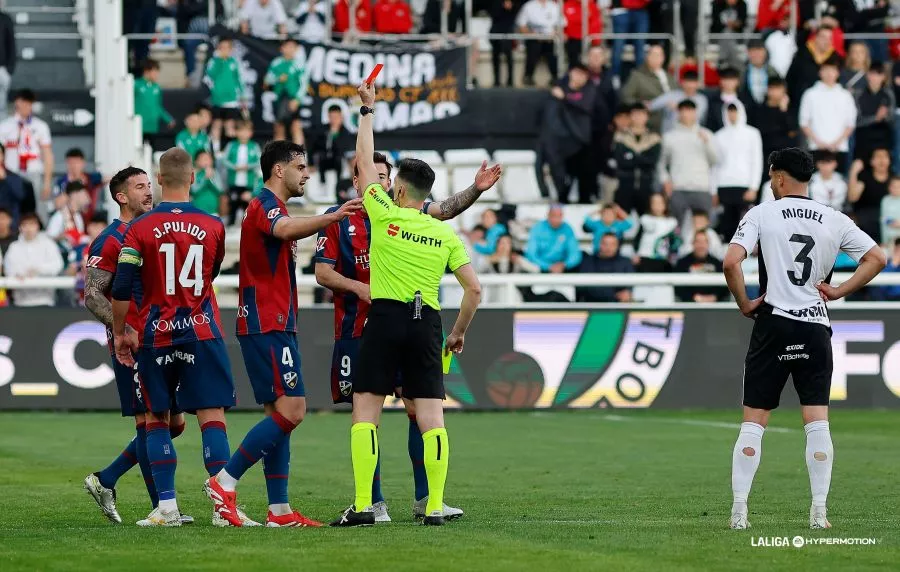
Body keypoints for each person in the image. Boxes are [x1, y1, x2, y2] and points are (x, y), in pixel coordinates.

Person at [330, 80, 482, 527]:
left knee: (366, 412)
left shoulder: (384, 214)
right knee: (432, 416)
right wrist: (457, 334)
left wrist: (367, 110)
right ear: (427, 193)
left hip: (386, 317)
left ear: (397, 188)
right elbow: (475, 290)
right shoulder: (443, 233)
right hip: (427, 323)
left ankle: (364, 505)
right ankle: (433, 505)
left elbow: (362, 159)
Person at [722, 147, 885, 530]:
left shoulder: (761, 213)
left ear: (778, 177)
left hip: (773, 322)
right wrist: (841, 290)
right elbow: (877, 257)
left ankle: (740, 512)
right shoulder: (834, 218)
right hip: (814, 327)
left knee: (753, 424)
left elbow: (731, 261)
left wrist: (745, 302)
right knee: (817, 423)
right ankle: (819, 513)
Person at [203, 142, 363, 528]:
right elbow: (285, 228)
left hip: (275, 320)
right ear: (279, 170)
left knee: (279, 413)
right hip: (266, 321)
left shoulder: (273, 206)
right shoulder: (264, 205)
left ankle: (279, 511)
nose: (307, 173)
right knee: (294, 409)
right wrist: (332, 217)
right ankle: (224, 482)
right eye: (301, 167)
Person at [110, 148, 240, 527]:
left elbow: (122, 286)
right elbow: (211, 273)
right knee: (211, 414)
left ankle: (166, 507)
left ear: (160, 179)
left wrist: (121, 332)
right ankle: (222, 508)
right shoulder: (214, 224)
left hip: (155, 332)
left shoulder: (139, 228)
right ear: (194, 180)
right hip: (201, 330)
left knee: (156, 417)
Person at [81, 167, 191, 525]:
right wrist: (123, 329)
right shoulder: (110, 239)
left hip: (163, 338)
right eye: (140, 187)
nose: (149, 191)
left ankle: (106, 478)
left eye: (149, 185)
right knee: (151, 422)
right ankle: (163, 506)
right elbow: (92, 294)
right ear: (121, 197)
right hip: (133, 345)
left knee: (174, 424)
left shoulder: (153, 230)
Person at [535, 64, 595, 203]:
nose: (579, 77)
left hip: (579, 143)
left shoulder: (588, 92)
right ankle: (559, 198)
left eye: (583, 74)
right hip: (556, 141)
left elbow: (585, 106)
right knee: (557, 174)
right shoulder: (555, 92)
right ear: (570, 73)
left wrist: (565, 98)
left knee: (580, 178)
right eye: (577, 73)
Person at [659, 99, 717, 226]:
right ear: (678, 113)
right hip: (678, 188)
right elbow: (661, 164)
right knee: (676, 228)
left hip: (701, 188)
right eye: (683, 111)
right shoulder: (670, 137)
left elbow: (715, 160)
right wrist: (665, 181)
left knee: (703, 228)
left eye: (690, 111)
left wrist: (706, 143)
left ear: (695, 113)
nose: (686, 114)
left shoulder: (706, 134)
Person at [0, 89, 53, 223]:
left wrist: (47, 182)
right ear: (16, 103)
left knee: (36, 209)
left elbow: (47, 155)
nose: (25, 106)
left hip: (33, 172)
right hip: (12, 174)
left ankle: (40, 235)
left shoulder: (40, 126)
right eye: (22, 102)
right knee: (11, 207)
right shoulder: (5, 126)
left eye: (28, 103)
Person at [714, 102, 763, 241]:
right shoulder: (718, 136)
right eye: (729, 111)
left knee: (745, 226)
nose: (732, 115)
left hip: (744, 185)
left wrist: (754, 187)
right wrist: (713, 191)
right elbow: (715, 166)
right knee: (726, 226)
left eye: (734, 111)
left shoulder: (752, 133)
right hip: (723, 186)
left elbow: (756, 161)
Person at [799, 57, 857, 174]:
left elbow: (850, 123)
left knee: (840, 185)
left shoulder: (845, 95)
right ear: (820, 72)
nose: (829, 73)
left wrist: (836, 143)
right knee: (814, 184)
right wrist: (819, 143)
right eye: (826, 70)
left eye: (833, 70)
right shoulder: (810, 94)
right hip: (815, 147)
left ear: (838, 72)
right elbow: (804, 122)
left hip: (839, 148)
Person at [3, 212, 62, 306]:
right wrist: (21, 273)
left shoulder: (48, 244)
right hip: (20, 302)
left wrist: (38, 269)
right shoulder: (14, 247)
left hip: (45, 300)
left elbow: (57, 265)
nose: (28, 228)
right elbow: (9, 270)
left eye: (32, 224)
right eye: (24, 225)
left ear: (38, 226)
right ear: (20, 227)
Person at [749, 77, 798, 187]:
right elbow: (761, 132)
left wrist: (784, 111)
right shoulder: (759, 110)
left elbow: (793, 133)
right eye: (772, 89)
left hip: (784, 158)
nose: (775, 92)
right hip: (764, 156)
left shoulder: (790, 110)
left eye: (778, 89)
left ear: (784, 90)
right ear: (768, 90)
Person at [203, 38, 245, 150]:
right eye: (221, 48)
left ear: (231, 50)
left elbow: (238, 80)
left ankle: (229, 151)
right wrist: (219, 61)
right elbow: (210, 75)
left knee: (230, 126)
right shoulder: (213, 61)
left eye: (227, 48)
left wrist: (242, 96)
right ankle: (215, 152)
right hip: (217, 99)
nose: (224, 50)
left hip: (231, 100)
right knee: (216, 125)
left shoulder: (234, 62)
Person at [264, 38, 306, 146]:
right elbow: (267, 80)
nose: (290, 49)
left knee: (296, 126)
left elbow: (304, 84)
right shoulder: (276, 63)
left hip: (293, 98)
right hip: (279, 98)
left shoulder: (299, 64)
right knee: (279, 127)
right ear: (282, 48)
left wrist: (297, 100)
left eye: (293, 47)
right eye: (288, 46)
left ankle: (301, 156)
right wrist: (278, 78)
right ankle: (278, 156)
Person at [621, 45, 673, 133]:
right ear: (647, 57)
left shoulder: (669, 77)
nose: (656, 58)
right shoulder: (637, 76)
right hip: (649, 124)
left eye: (659, 55)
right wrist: (641, 104)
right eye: (653, 55)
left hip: (671, 122)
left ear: (663, 58)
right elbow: (626, 97)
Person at [222, 121, 263, 225]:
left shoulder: (254, 146)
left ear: (251, 133)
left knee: (248, 206)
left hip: (248, 182)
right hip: (234, 182)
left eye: (246, 131)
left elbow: (259, 161)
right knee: (233, 205)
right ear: (236, 132)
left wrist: (248, 166)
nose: (244, 134)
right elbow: (224, 160)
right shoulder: (231, 145)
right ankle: (230, 225)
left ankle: (248, 227)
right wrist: (234, 167)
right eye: (241, 131)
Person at [853, 61, 895, 162]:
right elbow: (856, 121)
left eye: (879, 74)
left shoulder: (888, 94)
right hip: (864, 136)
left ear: (884, 77)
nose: (875, 77)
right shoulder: (858, 94)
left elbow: (892, 120)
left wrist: (885, 115)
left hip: (883, 136)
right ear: (867, 75)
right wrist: (875, 118)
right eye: (872, 74)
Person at [310, 105, 354, 201]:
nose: (334, 120)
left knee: (339, 161)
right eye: (331, 117)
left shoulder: (345, 132)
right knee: (321, 159)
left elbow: (343, 149)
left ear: (341, 117)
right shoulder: (322, 130)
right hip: (324, 159)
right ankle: (323, 186)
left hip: (337, 159)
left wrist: (335, 135)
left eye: (336, 117)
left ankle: (338, 188)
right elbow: (314, 146)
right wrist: (311, 163)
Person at [849, 148, 891, 243]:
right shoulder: (865, 177)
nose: (882, 160)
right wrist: (854, 172)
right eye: (878, 157)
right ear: (871, 161)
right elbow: (852, 197)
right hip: (866, 218)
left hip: (886, 218)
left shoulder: (893, 178)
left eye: (885, 156)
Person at [576, 232, 634, 303]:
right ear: (600, 244)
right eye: (605, 244)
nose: (608, 247)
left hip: (619, 306)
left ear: (618, 246)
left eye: (612, 244)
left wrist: (628, 292)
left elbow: (630, 284)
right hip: (591, 305)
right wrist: (613, 295)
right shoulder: (587, 262)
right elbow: (584, 287)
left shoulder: (625, 262)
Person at [524, 204, 583, 273]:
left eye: (559, 216)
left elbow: (575, 254)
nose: (557, 219)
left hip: (563, 268)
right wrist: (548, 266)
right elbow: (531, 254)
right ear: (548, 215)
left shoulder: (567, 229)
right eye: (554, 215)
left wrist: (564, 265)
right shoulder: (538, 228)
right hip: (540, 268)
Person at [516, 0, 562, 86]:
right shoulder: (529, 5)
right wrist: (531, 34)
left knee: (553, 57)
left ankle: (555, 78)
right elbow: (521, 24)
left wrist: (555, 33)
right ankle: (528, 77)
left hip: (550, 39)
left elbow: (561, 24)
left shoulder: (554, 5)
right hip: (534, 38)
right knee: (532, 57)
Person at [787, 25, 836, 105]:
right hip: (801, 102)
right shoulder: (802, 55)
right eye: (823, 37)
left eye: (829, 38)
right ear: (816, 38)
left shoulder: (835, 58)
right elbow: (791, 79)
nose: (827, 41)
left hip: (827, 104)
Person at [53, 148, 104, 220]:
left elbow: (110, 178)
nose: (73, 166)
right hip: (70, 219)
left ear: (83, 163)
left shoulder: (92, 178)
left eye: (76, 162)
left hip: (90, 219)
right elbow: (57, 204)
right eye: (70, 163)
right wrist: (72, 188)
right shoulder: (61, 182)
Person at [674, 232, 726, 302]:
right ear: (692, 243)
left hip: (715, 306)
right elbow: (678, 287)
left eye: (704, 242)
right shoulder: (682, 263)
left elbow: (725, 287)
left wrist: (714, 297)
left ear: (708, 244)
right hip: (689, 305)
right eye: (698, 241)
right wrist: (693, 297)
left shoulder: (717, 264)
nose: (701, 245)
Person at [134, 60, 175, 147]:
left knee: (150, 151)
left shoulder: (157, 87)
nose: (157, 75)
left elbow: (158, 106)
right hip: (138, 126)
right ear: (147, 71)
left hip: (152, 127)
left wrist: (168, 119)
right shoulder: (136, 84)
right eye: (155, 71)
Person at [634, 192, 679, 271]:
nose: (657, 206)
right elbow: (637, 239)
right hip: (645, 257)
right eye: (654, 203)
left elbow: (675, 242)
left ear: (665, 204)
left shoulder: (672, 222)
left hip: (664, 259)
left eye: (660, 203)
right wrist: (636, 254)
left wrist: (672, 257)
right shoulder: (645, 219)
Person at [609, 0, 650, 81]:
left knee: (640, 47)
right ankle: (615, 78)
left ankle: (641, 79)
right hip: (621, 9)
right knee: (618, 47)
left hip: (641, 10)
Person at [45, 181, 90, 250]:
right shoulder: (59, 216)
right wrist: (62, 236)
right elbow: (48, 238)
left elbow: (79, 238)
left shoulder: (78, 216)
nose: (87, 197)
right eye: (84, 194)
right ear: (74, 195)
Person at [740, 39, 778, 118]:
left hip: (769, 115)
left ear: (765, 52)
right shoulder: (741, 72)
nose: (757, 54)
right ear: (748, 53)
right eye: (753, 51)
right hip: (747, 114)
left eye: (759, 50)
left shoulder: (773, 71)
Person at [562, 0, 601, 68]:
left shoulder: (591, 5)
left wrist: (595, 41)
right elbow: (563, 22)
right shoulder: (567, 5)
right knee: (573, 59)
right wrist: (564, 32)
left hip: (587, 38)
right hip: (571, 38)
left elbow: (596, 23)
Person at [710, 0, 747, 69]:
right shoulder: (717, 4)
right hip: (718, 35)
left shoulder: (742, 4)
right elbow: (715, 23)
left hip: (736, 36)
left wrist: (734, 25)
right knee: (727, 32)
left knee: (728, 33)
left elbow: (743, 22)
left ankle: (722, 59)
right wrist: (728, 25)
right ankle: (735, 61)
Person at [705, 66, 741, 133]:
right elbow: (710, 125)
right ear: (720, 81)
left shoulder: (745, 101)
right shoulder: (713, 102)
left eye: (731, 79)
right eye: (725, 79)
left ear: (738, 81)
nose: (728, 82)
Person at [191, 150, 225, 217]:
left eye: (209, 158)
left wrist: (211, 178)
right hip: (197, 212)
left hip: (213, 212)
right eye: (203, 158)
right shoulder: (194, 174)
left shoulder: (215, 173)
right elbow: (194, 191)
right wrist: (205, 179)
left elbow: (220, 190)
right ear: (196, 161)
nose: (207, 161)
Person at [0, 146, 26, 227]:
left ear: (3, 156)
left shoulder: (13, 177)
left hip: (10, 224)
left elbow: (20, 196)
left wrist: (5, 179)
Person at [880, 176, 900, 246]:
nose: (896, 189)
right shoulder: (885, 200)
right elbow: (883, 219)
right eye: (893, 186)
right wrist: (883, 240)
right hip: (888, 238)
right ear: (889, 187)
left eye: (898, 187)